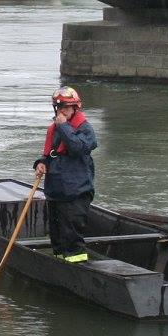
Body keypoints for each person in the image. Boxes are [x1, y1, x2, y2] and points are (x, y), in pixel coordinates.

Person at [33, 86, 98, 263]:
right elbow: (51, 154)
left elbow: (77, 147)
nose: (63, 111)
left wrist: (63, 126)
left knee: (71, 236)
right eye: (60, 107)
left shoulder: (85, 129)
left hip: (76, 192)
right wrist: (41, 163)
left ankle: (77, 265)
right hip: (56, 191)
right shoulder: (55, 129)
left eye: (67, 107)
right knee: (57, 235)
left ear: (75, 108)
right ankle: (59, 263)